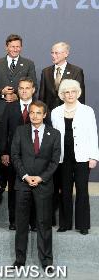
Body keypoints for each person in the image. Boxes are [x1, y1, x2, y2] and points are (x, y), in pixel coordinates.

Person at [11, 101, 61, 270]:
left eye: (38, 113)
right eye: (32, 112)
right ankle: (20, 260)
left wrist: (41, 178)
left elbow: (55, 162)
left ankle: (46, 261)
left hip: (43, 185)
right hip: (22, 183)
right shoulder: (20, 131)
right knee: (21, 223)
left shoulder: (55, 134)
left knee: (44, 223)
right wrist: (25, 176)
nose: (34, 116)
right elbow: (15, 156)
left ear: (44, 115)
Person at [51, 79, 98, 235]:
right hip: (63, 158)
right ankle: (65, 223)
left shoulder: (87, 110)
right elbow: (54, 137)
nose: (70, 94)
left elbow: (93, 134)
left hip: (83, 158)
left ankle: (83, 224)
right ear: (62, 94)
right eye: (66, 92)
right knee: (64, 190)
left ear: (78, 93)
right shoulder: (55, 112)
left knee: (82, 190)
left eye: (73, 91)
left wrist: (94, 157)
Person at [0, 77, 37, 229]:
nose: (24, 91)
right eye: (21, 88)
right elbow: (3, 132)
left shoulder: (39, 107)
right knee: (14, 189)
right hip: (14, 156)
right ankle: (14, 221)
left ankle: (33, 222)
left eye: (27, 88)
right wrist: (4, 152)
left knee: (34, 189)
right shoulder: (10, 107)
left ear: (33, 90)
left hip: (35, 157)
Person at [39, 42, 85, 114]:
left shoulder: (76, 71)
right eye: (52, 53)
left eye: (56, 53)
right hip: (49, 114)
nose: (53, 55)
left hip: (70, 113)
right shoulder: (46, 72)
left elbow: (80, 96)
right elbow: (42, 96)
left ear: (66, 54)